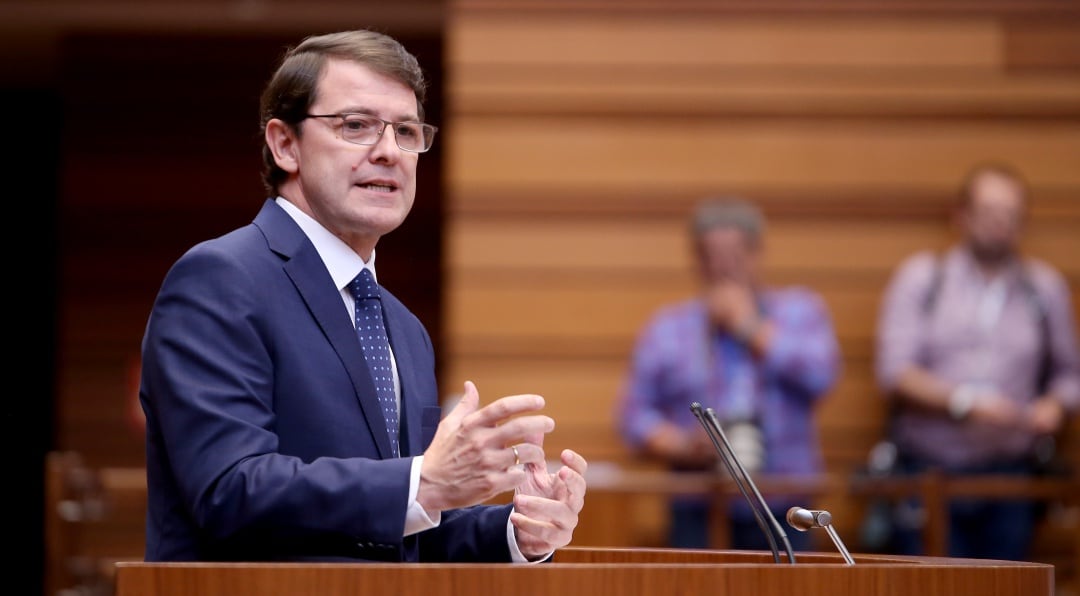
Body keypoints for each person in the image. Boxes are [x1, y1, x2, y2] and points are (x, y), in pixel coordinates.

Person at [138, 29, 587, 563]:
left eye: (405, 131)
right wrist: (424, 481)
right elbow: (229, 489)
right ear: (285, 145)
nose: (388, 152)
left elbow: (400, 530)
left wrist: (519, 531)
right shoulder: (220, 279)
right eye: (356, 127)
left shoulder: (403, 327)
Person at [874, 162, 1079, 560]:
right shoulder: (923, 278)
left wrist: (1054, 405)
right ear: (961, 215)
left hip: (1011, 476)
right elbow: (894, 371)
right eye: (989, 212)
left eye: (1011, 214)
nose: (1000, 223)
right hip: (930, 471)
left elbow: (1070, 374)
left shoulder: (1044, 287)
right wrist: (964, 403)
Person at [615, 197, 840, 550]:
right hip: (698, 505)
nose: (721, 267)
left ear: (756, 254)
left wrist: (748, 326)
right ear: (696, 260)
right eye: (710, 256)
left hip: (785, 501)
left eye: (734, 255)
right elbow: (633, 418)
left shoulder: (800, 311)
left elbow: (821, 376)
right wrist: (683, 445)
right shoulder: (667, 328)